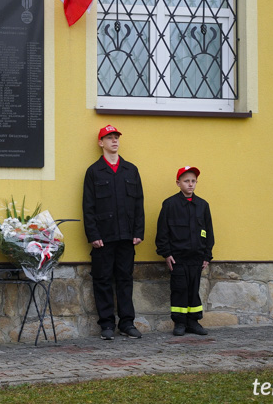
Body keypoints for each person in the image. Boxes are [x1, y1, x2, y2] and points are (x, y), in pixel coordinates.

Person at [82, 124, 145, 340]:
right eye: (109, 138)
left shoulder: (131, 170)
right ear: (101, 143)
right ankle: (107, 325)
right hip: (103, 238)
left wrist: (138, 231)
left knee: (125, 280)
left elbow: (138, 203)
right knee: (102, 280)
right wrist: (93, 235)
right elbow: (88, 207)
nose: (114, 141)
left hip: (127, 236)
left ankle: (127, 323)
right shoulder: (93, 172)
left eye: (116, 137)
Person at [155, 166, 215, 336]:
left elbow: (208, 232)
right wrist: (166, 253)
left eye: (193, 181)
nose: (190, 184)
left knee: (193, 290)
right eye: (186, 181)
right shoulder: (170, 205)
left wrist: (206, 256)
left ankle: (193, 322)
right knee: (180, 290)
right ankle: (180, 323)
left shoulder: (202, 205)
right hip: (178, 259)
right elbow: (162, 232)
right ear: (178, 183)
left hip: (196, 258)